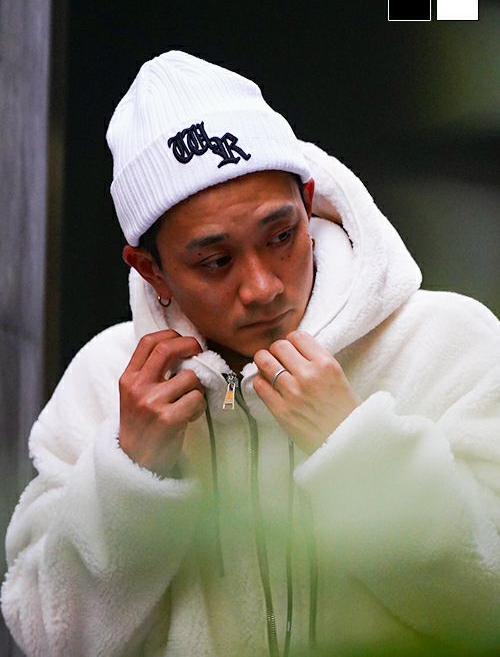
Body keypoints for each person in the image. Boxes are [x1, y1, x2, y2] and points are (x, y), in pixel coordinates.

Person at [2, 51, 500, 657]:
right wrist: (129, 475)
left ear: (308, 202)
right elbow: (48, 639)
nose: (262, 287)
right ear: (150, 269)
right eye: (216, 260)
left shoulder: (446, 341)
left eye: (281, 236)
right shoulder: (105, 379)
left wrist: (355, 448)